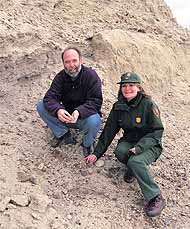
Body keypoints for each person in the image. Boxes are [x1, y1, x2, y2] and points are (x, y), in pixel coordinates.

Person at [86, 72, 165, 217]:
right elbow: (108, 132)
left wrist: (140, 147)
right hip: (130, 141)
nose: (127, 89)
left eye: (131, 85)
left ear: (139, 87)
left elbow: (157, 131)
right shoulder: (119, 107)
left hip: (150, 145)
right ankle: (134, 170)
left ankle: (155, 197)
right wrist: (96, 154)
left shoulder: (148, 105)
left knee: (135, 161)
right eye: (124, 86)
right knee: (120, 152)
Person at [36, 47, 103, 156]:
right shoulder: (60, 77)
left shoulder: (91, 76)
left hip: (84, 117)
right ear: (63, 63)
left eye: (74, 60)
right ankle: (63, 133)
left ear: (81, 60)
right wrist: (58, 110)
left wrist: (79, 111)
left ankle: (87, 143)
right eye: (67, 62)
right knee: (41, 106)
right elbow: (49, 98)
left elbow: (96, 101)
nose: (71, 65)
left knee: (95, 121)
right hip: (66, 116)